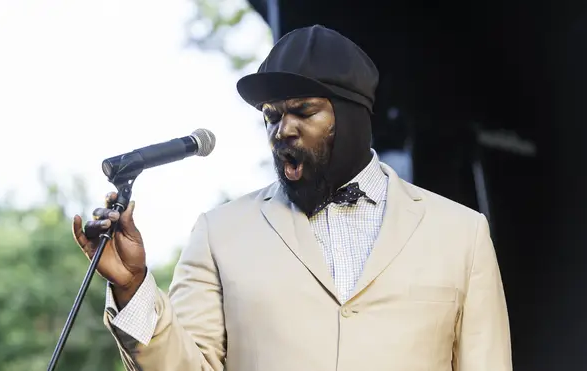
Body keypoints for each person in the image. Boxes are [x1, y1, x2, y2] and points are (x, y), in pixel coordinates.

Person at [73, 25, 512, 371]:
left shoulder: (460, 233)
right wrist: (131, 287)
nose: (282, 129)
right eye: (271, 116)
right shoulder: (219, 233)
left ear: (353, 116)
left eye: (303, 111)